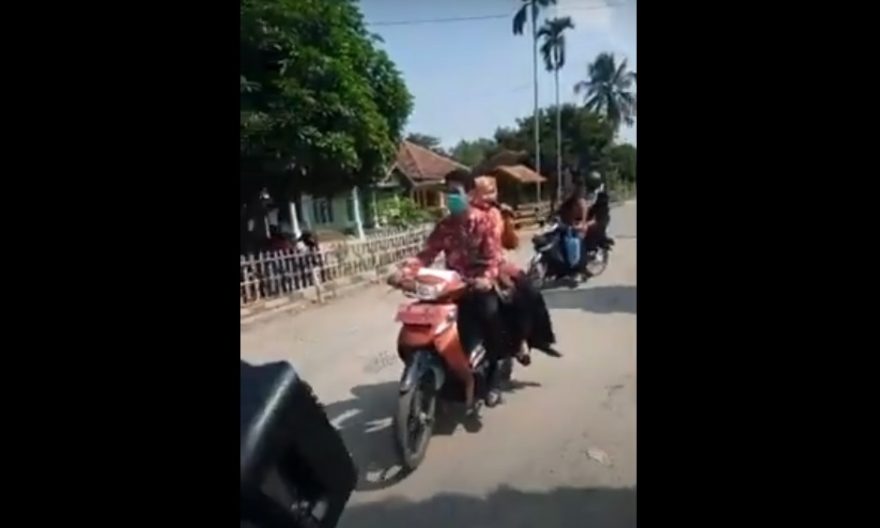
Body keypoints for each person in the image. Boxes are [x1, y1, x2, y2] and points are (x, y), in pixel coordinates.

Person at [395, 168, 507, 409]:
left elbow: (494, 257)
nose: (450, 197)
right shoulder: (445, 225)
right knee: (425, 322)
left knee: (490, 319)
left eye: (455, 192)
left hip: (478, 285)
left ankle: (494, 381)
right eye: (447, 192)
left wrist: (486, 278)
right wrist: (405, 272)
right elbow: (426, 254)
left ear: (470, 194)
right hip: (452, 287)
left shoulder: (485, 221)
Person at [469, 176, 556, 366]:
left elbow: (511, 244)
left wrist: (507, 221)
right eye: (485, 192)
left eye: (492, 192)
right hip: (468, 269)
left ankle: (523, 341)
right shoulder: (465, 216)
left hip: (497, 266)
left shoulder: (497, 214)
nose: (489, 196)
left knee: (528, 293)